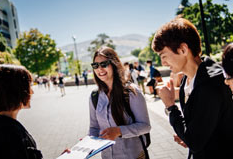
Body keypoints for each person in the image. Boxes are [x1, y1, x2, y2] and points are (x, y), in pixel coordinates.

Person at [152, 17, 233, 159]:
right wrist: (187, 137)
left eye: (163, 56)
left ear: (183, 49)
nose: (162, 62)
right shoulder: (186, 81)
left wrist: (171, 106)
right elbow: (195, 132)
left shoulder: (211, 82)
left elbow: (194, 141)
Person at [89, 47, 151, 159]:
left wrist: (119, 131)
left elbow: (145, 126)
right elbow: (94, 127)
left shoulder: (132, 92)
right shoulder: (94, 96)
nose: (100, 69)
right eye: (95, 65)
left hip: (133, 155)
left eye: (104, 64)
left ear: (114, 64)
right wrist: (86, 144)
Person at [0, 64, 43, 159]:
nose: (32, 92)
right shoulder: (9, 134)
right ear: (16, 91)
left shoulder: (2, 126)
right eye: (29, 86)